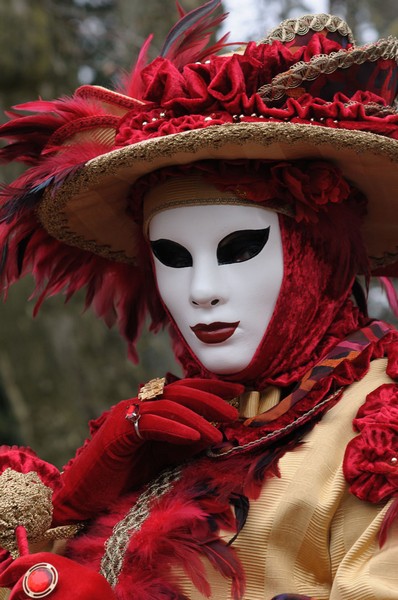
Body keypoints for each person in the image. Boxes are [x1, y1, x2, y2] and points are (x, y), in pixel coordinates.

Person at [0, 2, 397, 598]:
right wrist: (75, 504)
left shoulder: (379, 424)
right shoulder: (180, 425)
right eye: (173, 257)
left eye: (239, 249)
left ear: (316, 248)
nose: (201, 291)